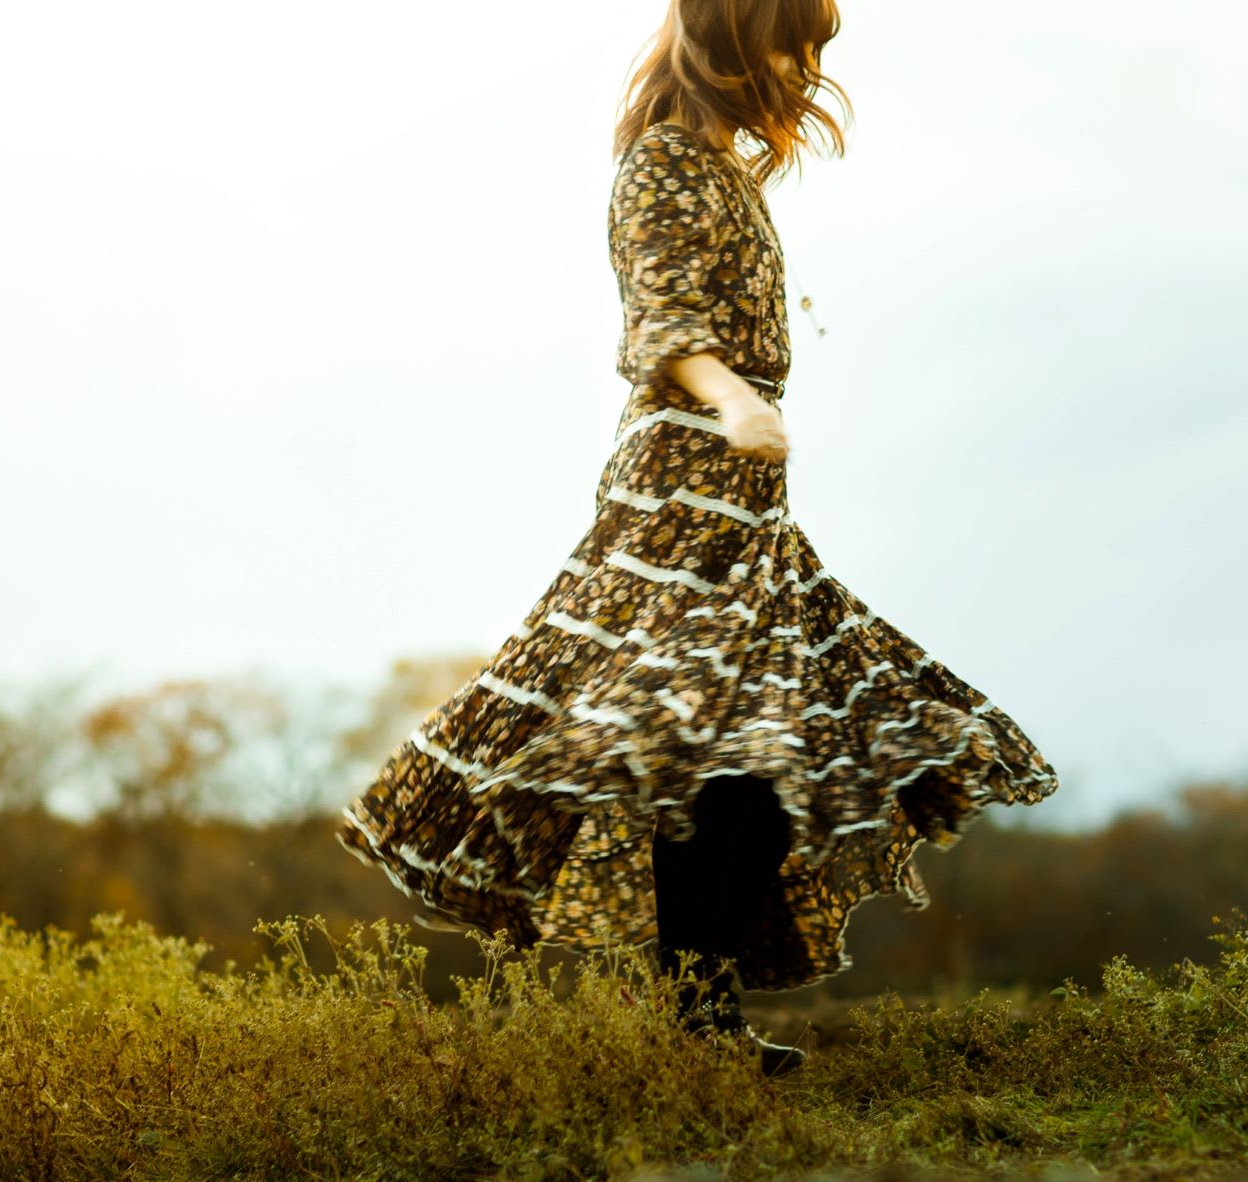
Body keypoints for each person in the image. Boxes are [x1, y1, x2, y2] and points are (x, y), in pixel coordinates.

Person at [336, 0, 1061, 1077]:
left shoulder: (723, 169)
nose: (803, 65)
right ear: (733, 39)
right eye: (790, 40)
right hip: (681, 488)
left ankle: (698, 1014)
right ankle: (697, 1023)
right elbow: (662, 311)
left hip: (747, 504)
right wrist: (731, 399)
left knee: (762, 757)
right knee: (708, 751)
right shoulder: (662, 163)